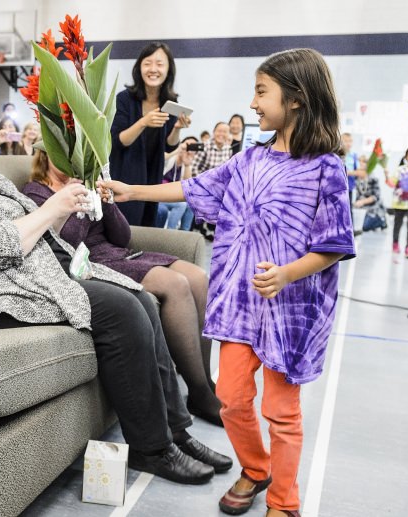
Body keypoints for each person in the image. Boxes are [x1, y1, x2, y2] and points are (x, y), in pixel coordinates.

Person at [0, 91, 231, 484]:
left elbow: (52, 240)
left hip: (29, 278)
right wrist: (53, 209)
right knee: (121, 309)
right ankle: (152, 450)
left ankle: (176, 430)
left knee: (139, 296)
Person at [102, 48, 355, 517]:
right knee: (234, 401)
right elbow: (197, 187)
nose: (254, 103)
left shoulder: (327, 169)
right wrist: (132, 190)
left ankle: (284, 499)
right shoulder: (249, 159)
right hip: (239, 307)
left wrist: (287, 273)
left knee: (282, 413)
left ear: (296, 99)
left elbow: (335, 245)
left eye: (262, 92)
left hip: (288, 315)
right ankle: (255, 468)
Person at [23, 147, 222, 426]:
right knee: (175, 284)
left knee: (199, 278)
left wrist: (107, 202)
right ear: (48, 156)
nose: (72, 163)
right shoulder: (36, 193)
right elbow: (63, 245)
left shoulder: (87, 181)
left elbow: (122, 237)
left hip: (117, 254)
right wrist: (74, 197)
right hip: (89, 263)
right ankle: (199, 393)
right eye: (64, 155)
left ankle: (205, 381)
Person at [109, 42, 190, 227]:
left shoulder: (170, 102)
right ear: (139, 67)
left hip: (152, 175)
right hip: (125, 172)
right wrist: (144, 122)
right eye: (148, 63)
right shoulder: (125, 99)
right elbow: (118, 141)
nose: (153, 69)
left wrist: (177, 128)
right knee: (123, 225)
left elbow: (169, 145)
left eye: (160, 64)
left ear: (169, 69)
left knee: (147, 223)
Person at [192, 122, 233, 240]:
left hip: (219, 187)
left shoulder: (228, 148)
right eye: (219, 131)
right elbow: (194, 168)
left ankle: (213, 230)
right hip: (203, 184)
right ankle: (201, 229)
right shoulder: (205, 146)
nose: (221, 134)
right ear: (214, 132)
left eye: (225, 131)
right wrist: (204, 184)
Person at [157, 136, 197, 231]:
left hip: (171, 197)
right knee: (181, 205)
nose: (188, 148)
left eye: (192, 147)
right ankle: (171, 233)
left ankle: (184, 233)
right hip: (159, 195)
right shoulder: (171, 158)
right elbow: (161, 158)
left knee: (192, 203)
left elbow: (188, 186)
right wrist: (177, 151)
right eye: (187, 145)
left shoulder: (186, 165)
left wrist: (187, 164)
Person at [353, 157, 386, 232]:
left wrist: (362, 202)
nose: (361, 164)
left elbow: (376, 196)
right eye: (359, 161)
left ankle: (381, 220)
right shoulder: (354, 178)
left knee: (364, 226)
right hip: (359, 209)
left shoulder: (373, 178)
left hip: (372, 208)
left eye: (364, 162)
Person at [341, 133, 362, 235]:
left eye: (350, 141)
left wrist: (348, 172)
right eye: (346, 141)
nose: (348, 143)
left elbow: (358, 171)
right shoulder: (337, 154)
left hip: (349, 186)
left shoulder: (353, 156)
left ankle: (350, 230)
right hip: (338, 186)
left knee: (349, 208)